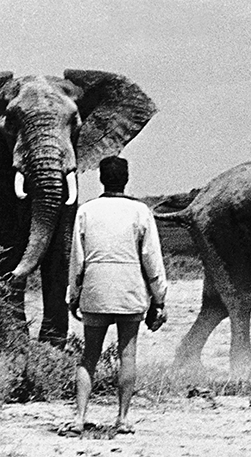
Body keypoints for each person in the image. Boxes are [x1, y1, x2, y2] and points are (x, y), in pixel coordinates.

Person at [64, 156, 168, 436]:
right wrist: (159, 299)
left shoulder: (86, 211)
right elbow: (152, 259)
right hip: (130, 291)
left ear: (101, 179)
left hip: (96, 291)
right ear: (126, 178)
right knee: (128, 355)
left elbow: (77, 260)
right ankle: (122, 419)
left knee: (89, 357)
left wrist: (74, 296)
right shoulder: (140, 211)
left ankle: (79, 417)